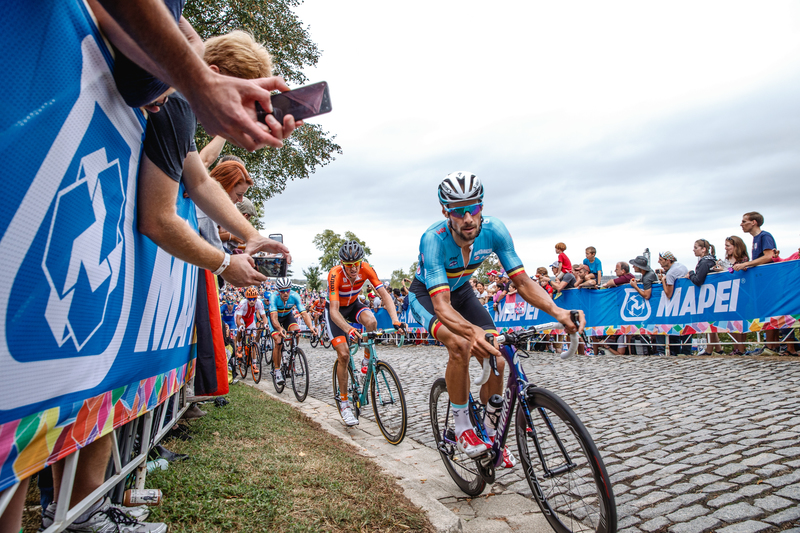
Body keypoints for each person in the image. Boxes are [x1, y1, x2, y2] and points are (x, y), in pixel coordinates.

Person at [408, 172, 582, 465]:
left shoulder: (495, 230)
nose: (468, 218)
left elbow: (523, 282)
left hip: (462, 291)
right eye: (458, 211)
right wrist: (471, 332)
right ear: (445, 212)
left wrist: (559, 312)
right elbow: (441, 306)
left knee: (497, 357)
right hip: (427, 295)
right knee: (460, 344)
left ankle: (490, 432)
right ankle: (463, 427)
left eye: (474, 208)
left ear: (482, 207)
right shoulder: (433, 240)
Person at [135, 31, 291, 287]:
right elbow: (157, 220)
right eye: (241, 100)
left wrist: (252, 235)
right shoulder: (178, 104)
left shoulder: (178, 101)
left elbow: (200, 182)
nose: (242, 115)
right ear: (213, 73)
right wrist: (224, 264)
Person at [90, 0, 294, 151]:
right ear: (214, 72)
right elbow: (140, 86)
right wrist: (198, 77)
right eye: (236, 97)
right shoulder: (180, 107)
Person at [325, 241, 405, 426]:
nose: (353, 268)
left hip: (353, 305)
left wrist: (395, 320)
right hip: (336, 311)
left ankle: (366, 362)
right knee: (344, 355)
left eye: (356, 264)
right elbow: (334, 312)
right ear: (342, 263)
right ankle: (344, 404)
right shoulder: (335, 274)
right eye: (349, 265)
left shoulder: (366, 268)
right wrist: (349, 329)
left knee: (372, 322)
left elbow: (385, 296)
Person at [733, 212, 782, 355]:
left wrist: (746, 264)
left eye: (744, 221)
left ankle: (771, 346)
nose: (741, 224)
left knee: (770, 311)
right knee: (765, 311)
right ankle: (770, 345)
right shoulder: (756, 239)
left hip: (769, 280)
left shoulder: (764, 236)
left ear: (754, 222)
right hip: (761, 280)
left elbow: (768, 256)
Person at [268, 278, 317, 386]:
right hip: (275, 318)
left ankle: (291, 353)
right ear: (278, 290)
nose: (285, 293)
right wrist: (280, 329)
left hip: (287, 317)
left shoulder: (295, 296)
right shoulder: (274, 297)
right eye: (282, 291)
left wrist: (311, 327)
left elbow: (304, 313)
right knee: (278, 341)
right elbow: (274, 318)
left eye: (287, 290)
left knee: (297, 332)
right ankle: (277, 371)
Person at [686, 239, 722, 355]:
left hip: (708, 294)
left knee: (709, 322)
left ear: (703, 249)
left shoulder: (705, 262)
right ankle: (718, 348)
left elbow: (698, 280)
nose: (693, 250)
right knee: (710, 322)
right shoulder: (711, 260)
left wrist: (691, 274)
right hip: (712, 292)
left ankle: (709, 349)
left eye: (696, 247)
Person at [655, 251, 690, 355]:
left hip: (676, 304)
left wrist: (663, 280)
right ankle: (686, 351)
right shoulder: (680, 266)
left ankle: (675, 351)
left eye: (661, 260)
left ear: (668, 260)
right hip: (687, 300)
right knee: (686, 327)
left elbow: (668, 294)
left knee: (673, 327)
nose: (659, 262)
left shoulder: (670, 274)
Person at [235, 286, 268, 376]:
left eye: (253, 299)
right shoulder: (243, 303)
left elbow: (264, 316)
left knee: (253, 341)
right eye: (250, 299)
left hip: (250, 319)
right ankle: (239, 346)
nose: (252, 301)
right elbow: (238, 319)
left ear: (256, 298)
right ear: (247, 299)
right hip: (241, 318)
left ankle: (254, 364)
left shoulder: (259, 303)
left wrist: (265, 324)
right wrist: (240, 326)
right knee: (240, 328)